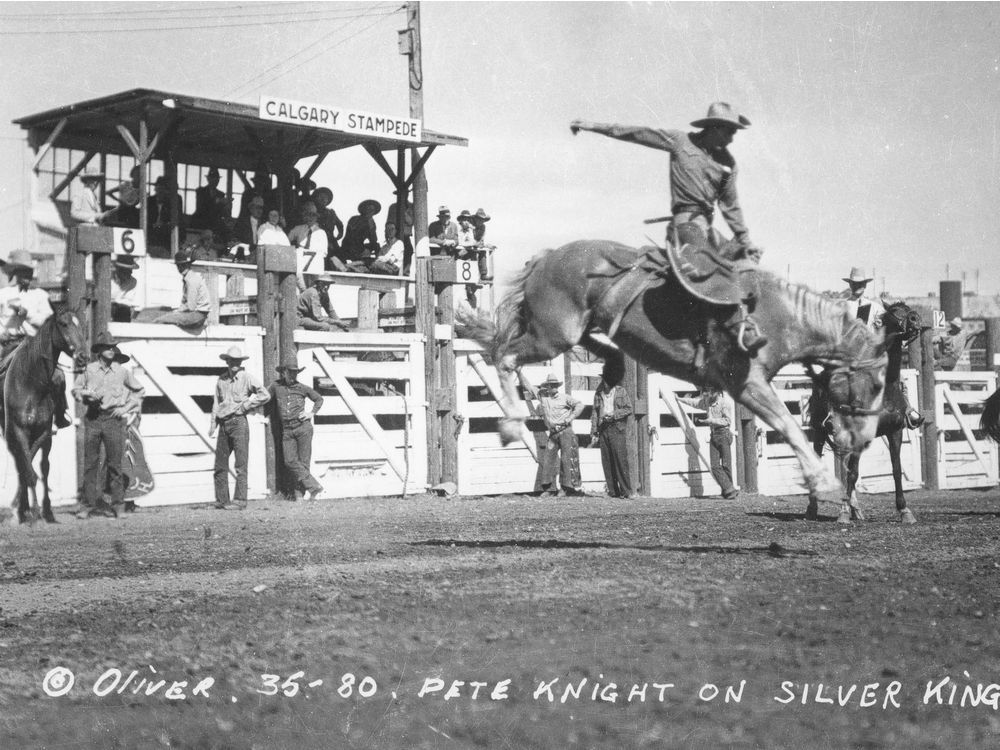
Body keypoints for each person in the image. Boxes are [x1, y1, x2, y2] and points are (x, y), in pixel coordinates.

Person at [570, 102, 767, 354]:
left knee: (744, 264)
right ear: (714, 128)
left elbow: (731, 206)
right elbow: (637, 133)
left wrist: (745, 240)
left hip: (707, 228)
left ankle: (743, 329)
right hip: (685, 225)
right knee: (705, 267)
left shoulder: (728, 164)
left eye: (734, 133)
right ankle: (700, 338)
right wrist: (591, 125)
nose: (731, 139)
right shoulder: (680, 142)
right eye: (729, 132)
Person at [72, 331, 145, 518]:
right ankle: (87, 506)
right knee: (90, 464)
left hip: (113, 419)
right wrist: (84, 395)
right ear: (99, 351)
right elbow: (76, 389)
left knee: (115, 464)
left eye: (113, 347)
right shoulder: (89, 370)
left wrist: (126, 407)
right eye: (107, 347)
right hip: (93, 418)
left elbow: (139, 390)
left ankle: (118, 506)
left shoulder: (122, 371)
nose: (111, 350)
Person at [0, 249, 72, 428]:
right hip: (7, 342)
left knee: (58, 376)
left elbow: (47, 322)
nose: (27, 276)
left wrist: (28, 314)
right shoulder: (3, 295)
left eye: (29, 272)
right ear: (15, 273)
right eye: (22, 272)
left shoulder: (40, 295)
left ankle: (60, 413)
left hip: (32, 345)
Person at [210, 345, 270, 510]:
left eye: (237, 360)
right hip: (224, 424)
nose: (234, 363)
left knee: (240, 464)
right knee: (220, 465)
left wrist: (246, 406)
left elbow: (265, 394)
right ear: (227, 361)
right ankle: (222, 500)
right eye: (231, 360)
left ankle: (240, 500)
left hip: (238, 423)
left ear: (241, 362)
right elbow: (216, 403)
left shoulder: (246, 378)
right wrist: (213, 424)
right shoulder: (221, 380)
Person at [267, 359, 325, 501]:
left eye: (295, 373)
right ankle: (314, 486)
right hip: (287, 430)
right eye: (290, 373)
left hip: (303, 428)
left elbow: (319, 399)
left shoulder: (302, 388)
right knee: (290, 461)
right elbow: (265, 397)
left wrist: (311, 413)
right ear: (284, 373)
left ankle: (300, 495)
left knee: (304, 462)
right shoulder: (276, 386)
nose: (293, 376)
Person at [676, 387, 739, 499]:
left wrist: (711, 421)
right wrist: (680, 399)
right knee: (715, 466)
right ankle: (730, 489)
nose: (707, 395)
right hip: (714, 434)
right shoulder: (707, 402)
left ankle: (728, 490)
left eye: (709, 392)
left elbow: (727, 421)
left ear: (716, 392)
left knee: (726, 465)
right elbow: (694, 403)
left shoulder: (724, 404)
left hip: (724, 434)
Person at [534, 372, 585, 497]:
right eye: (551, 385)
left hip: (565, 431)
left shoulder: (565, 397)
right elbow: (530, 388)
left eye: (555, 385)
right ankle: (548, 488)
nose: (553, 387)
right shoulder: (544, 399)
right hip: (553, 434)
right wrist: (518, 372)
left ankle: (566, 488)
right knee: (548, 459)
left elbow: (580, 405)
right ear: (547, 387)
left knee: (566, 459)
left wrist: (570, 417)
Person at [589, 360, 634, 498]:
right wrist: (594, 431)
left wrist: (614, 415)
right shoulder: (598, 393)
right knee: (607, 461)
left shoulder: (621, 391)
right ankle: (613, 491)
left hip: (617, 428)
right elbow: (595, 413)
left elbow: (629, 409)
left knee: (620, 459)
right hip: (603, 429)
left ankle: (627, 492)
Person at [152, 247, 211, 327]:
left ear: (188, 265)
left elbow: (191, 306)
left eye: (183, 265)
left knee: (160, 320)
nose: (180, 268)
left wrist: (177, 312)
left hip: (197, 315)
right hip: (196, 314)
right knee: (164, 316)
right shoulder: (189, 278)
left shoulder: (191, 280)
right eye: (179, 266)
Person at [290, 201, 342, 286]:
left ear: (316, 217)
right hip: (300, 265)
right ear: (304, 217)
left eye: (313, 215)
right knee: (300, 285)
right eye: (307, 215)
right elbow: (286, 240)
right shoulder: (298, 229)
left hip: (314, 267)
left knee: (313, 286)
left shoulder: (321, 233)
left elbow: (324, 253)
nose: (310, 218)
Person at [192, 167, 232, 240]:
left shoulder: (221, 194)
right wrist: (217, 202)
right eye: (213, 179)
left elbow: (221, 212)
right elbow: (201, 207)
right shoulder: (201, 191)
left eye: (217, 179)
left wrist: (225, 205)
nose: (216, 181)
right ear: (208, 179)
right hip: (201, 222)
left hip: (214, 224)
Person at [840, 267, 885, 331]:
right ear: (850, 284)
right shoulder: (842, 307)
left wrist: (880, 324)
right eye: (854, 283)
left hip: (869, 340)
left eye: (860, 283)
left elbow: (885, 325)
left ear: (865, 285)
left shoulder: (876, 308)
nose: (857, 286)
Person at [339, 199, 381, 268]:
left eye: (372, 210)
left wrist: (371, 227)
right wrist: (363, 249)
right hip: (349, 245)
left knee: (376, 246)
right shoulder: (354, 219)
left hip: (360, 246)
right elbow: (352, 237)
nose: (370, 211)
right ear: (364, 210)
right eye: (368, 209)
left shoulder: (371, 223)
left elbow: (373, 240)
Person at [147, 176, 184, 252]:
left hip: (165, 239)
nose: (160, 192)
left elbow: (175, 221)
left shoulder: (171, 203)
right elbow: (146, 220)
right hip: (151, 238)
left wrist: (162, 225)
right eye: (158, 189)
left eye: (162, 190)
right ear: (155, 189)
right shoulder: (150, 201)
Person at [231, 194, 265, 263]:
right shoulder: (241, 223)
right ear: (251, 208)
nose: (259, 210)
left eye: (261, 208)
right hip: (244, 257)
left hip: (260, 259)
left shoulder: (265, 225)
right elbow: (235, 240)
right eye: (257, 207)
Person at [311, 187, 344, 258]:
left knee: (340, 259)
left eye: (325, 198)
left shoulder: (331, 212)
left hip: (331, 241)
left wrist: (340, 234)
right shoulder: (311, 211)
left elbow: (340, 224)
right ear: (316, 198)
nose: (323, 199)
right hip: (316, 240)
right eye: (321, 197)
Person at [110, 255, 140, 323]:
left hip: (120, 311)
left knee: (124, 310)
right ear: (118, 270)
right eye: (126, 271)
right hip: (106, 308)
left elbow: (127, 302)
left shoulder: (133, 282)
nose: (130, 273)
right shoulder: (109, 279)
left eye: (130, 270)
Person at [470, 208, 495, 280]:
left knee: (483, 251)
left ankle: (483, 274)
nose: (481, 221)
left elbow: (481, 240)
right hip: (468, 247)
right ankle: (471, 283)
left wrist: (484, 244)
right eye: (479, 219)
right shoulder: (470, 225)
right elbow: (468, 238)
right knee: (472, 256)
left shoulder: (483, 227)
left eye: (482, 219)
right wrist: (475, 243)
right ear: (475, 219)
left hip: (476, 246)